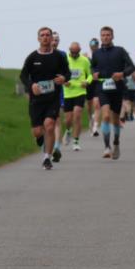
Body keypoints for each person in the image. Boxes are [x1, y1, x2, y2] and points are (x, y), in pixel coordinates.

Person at [20, 27, 70, 170]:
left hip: (53, 98)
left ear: (51, 38)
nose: (45, 37)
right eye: (42, 35)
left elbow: (67, 72)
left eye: (48, 35)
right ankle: (40, 138)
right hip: (36, 100)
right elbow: (23, 75)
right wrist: (32, 85)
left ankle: (47, 157)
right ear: (38, 38)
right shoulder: (32, 57)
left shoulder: (59, 56)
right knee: (37, 131)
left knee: (49, 125)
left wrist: (64, 78)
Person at [90, 26, 134, 160]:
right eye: (103, 35)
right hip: (102, 88)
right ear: (100, 37)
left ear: (112, 36)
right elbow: (93, 66)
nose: (105, 37)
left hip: (117, 88)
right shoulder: (96, 53)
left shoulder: (120, 51)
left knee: (115, 119)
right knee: (106, 116)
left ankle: (116, 143)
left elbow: (131, 66)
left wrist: (123, 73)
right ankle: (106, 147)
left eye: (108, 35)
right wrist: (94, 73)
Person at [62, 41, 93, 151]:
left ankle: (76, 141)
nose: (74, 54)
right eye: (72, 52)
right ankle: (68, 131)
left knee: (77, 115)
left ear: (79, 51)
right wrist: (64, 81)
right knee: (68, 119)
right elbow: (60, 74)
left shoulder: (84, 60)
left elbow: (90, 75)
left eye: (76, 52)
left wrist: (87, 82)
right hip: (68, 92)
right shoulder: (65, 59)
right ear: (69, 50)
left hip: (80, 91)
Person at [50, 31, 67, 162]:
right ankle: (47, 145)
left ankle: (56, 147)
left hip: (58, 92)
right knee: (46, 123)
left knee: (57, 120)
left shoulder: (62, 55)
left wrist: (64, 77)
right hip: (44, 92)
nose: (54, 42)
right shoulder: (39, 54)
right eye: (53, 39)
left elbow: (66, 72)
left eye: (56, 40)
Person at [86, 38, 101, 136]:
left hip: (97, 82)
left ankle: (95, 127)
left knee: (97, 104)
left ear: (98, 46)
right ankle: (90, 120)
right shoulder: (86, 56)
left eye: (95, 46)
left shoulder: (101, 55)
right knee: (89, 105)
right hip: (88, 82)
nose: (93, 48)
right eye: (92, 46)